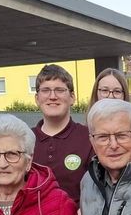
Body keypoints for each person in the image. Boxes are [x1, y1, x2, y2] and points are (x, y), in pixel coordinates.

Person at [31, 64, 93, 207]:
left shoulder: (89, 138)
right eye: (45, 90)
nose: (52, 96)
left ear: (72, 97)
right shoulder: (23, 140)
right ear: (37, 98)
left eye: (60, 90)